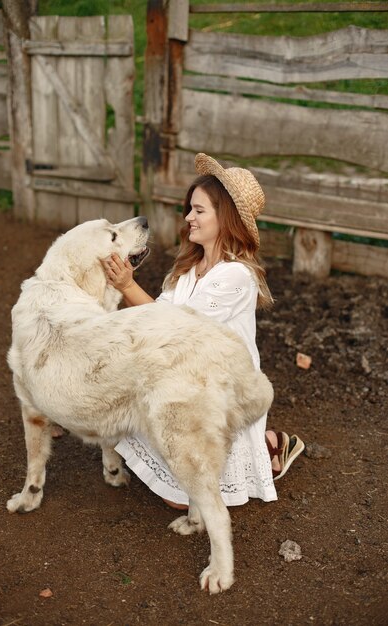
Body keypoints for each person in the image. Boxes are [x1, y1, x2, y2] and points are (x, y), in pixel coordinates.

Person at [102, 153, 304, 509]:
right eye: (190, 209)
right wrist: (124, 287)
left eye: (199, 210)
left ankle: (270, 446)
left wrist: (127, 285)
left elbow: (177, 326)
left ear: (224, 218)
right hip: (188, 374)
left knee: (181, 502)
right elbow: (162, 316)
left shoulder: (236, 275)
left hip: (220, 388)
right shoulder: (189, 268)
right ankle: (260, 446)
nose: (188, 217)